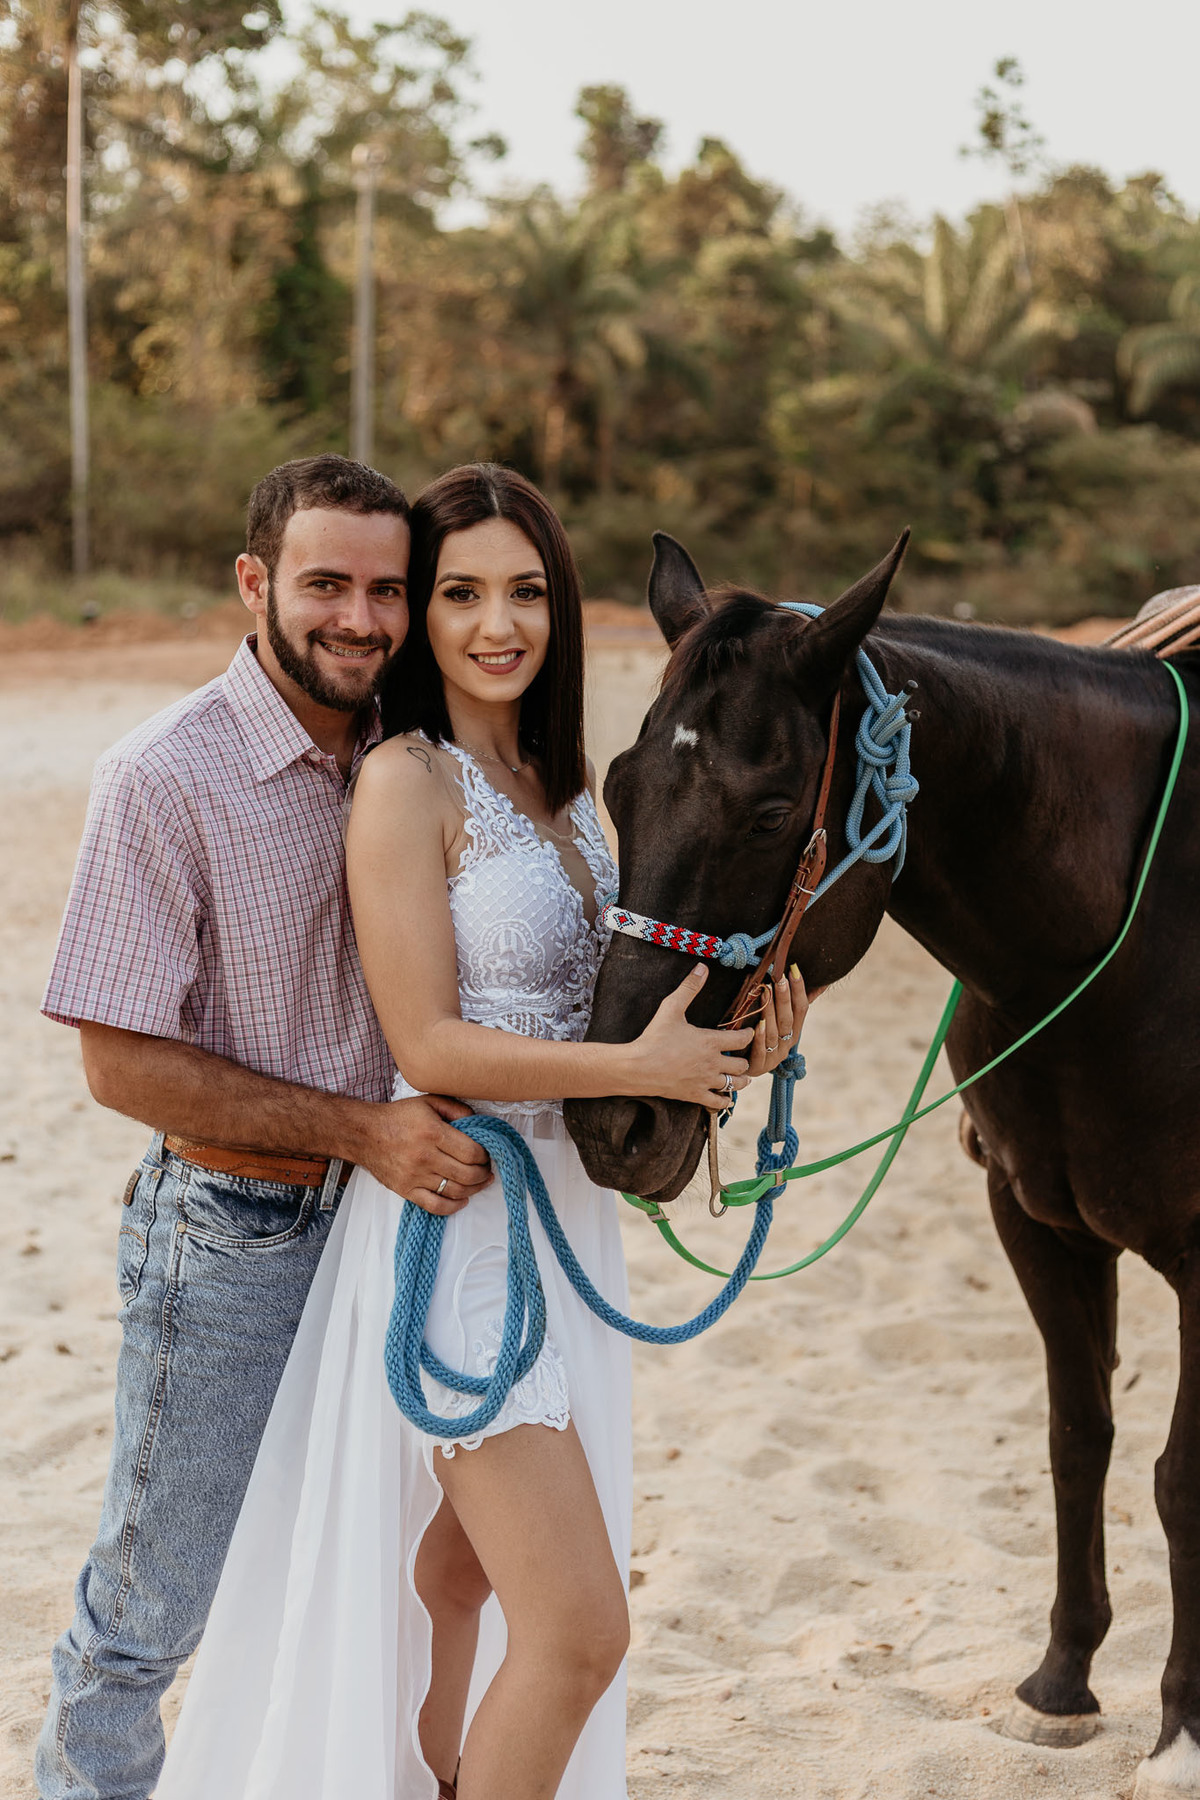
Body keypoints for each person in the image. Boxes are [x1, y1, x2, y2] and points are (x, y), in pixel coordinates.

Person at [153, 462, 808, 1800]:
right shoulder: (407, 780)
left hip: (567, 1218)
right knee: (577, 1634)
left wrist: (732, 1047)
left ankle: (438, 1772)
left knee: (462, 1568)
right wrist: (634, 1059)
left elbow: (622, 997)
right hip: (463, 1223)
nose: (496, 624)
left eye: (525, 592)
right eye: (459, 593)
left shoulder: (567, 784)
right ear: (422, 615)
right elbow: (428, 1045)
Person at [35, 454, 492, 1800]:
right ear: (255, 583)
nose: (360, 618)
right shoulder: (164, 778)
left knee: (369, 1582)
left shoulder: (427, 759)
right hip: (235, 1235)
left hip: (403, 1229)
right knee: (150, 1612)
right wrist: (362, 1130)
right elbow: (119, 1065)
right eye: (326, 586)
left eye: (388, 590)